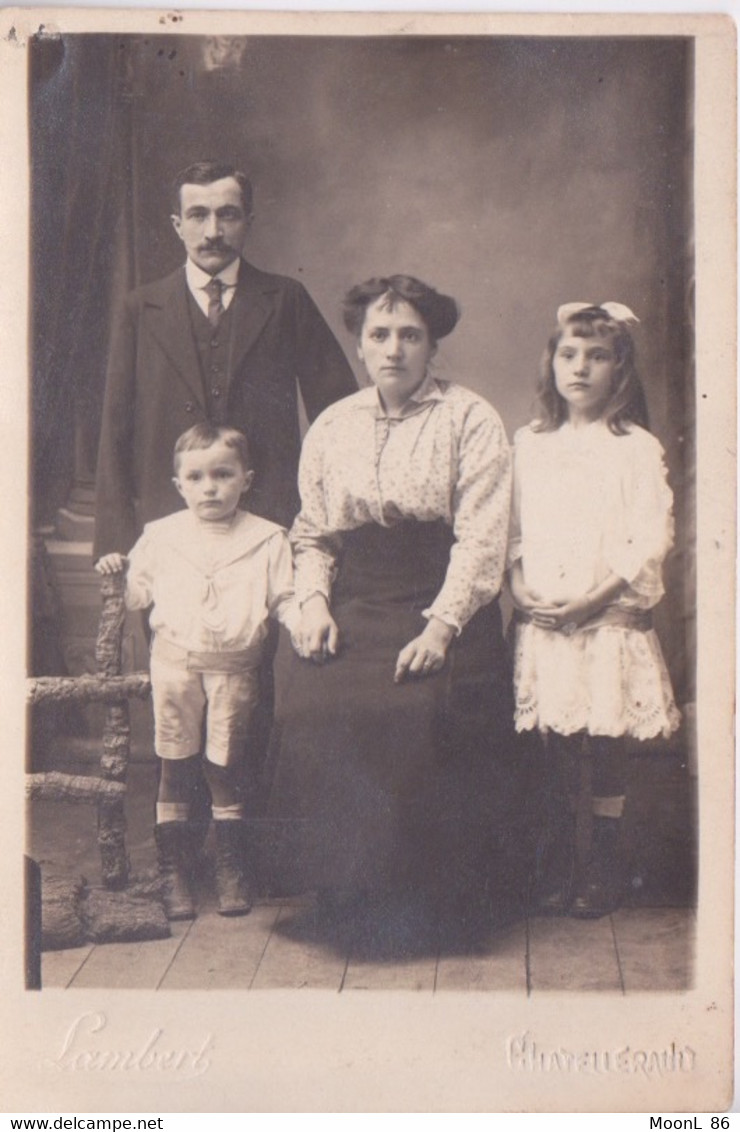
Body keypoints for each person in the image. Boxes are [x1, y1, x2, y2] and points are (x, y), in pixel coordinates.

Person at [264, 275, 519, 925]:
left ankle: (427, 896)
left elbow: (482, 542)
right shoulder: (333, 425)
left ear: (433, 344)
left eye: (410, 335)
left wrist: (440, 630)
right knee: (311, 691)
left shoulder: (471, 418)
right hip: (357, 599)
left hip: (440, 599)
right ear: (359, 343)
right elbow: (314, 535)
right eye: (379, 334)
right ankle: (344, 888)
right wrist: (314, 603)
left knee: (412, 705)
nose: (394, 349)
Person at [507, 301, 681, 920]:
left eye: (597, 356)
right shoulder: (529, 444)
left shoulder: (633, 447)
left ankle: (603, 866)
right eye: (568, 354)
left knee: (604, 745)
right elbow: (513, 529)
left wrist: (592, 599)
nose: (580, 367)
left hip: (604, 619)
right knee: (553, 747)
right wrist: (521, 585)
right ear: (551, 363)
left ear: (620, 368)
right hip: (549, 622)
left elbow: (648, 539)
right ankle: (557, 861)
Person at [93, 159, 357, 562]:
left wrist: (330, 522)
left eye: (227, 215)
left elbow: (339, 417)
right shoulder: (141, 308)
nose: (213, 232)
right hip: (166, 520)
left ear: (248, 221)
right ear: (177, 224)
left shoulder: (286, 299)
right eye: (198, 215)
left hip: (264, 519)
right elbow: (114, 427)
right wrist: (114, 539)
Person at [96, 423, 298, 921]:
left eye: (223, 474)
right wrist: (116, 572)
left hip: (234, 670)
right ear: (179, 484)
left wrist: (308, 626)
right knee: (173, 765)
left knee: (224, 768)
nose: (210, 487)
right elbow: (135, 595)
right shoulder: (161, 536)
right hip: (176, 666)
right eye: (197, 476)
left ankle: (230, 863)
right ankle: (175, 870)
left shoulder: (268, 538)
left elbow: (285, 599)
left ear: (245, 479)